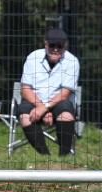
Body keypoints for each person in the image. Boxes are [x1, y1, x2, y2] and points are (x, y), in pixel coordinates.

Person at [17, 28, 79, 156]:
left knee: (66, 113)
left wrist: (45, 108)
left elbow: (65, 93)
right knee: (24, 115)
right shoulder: (32, 57)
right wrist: (41, 107)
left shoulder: (72, 61)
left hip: (59, 103)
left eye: (59, 46)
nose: (55, 49)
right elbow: (25, 89)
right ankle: (45, 157)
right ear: (45, 44)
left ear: (65, 47)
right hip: (34, 102)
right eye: (52, 45)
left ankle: (64, 156)